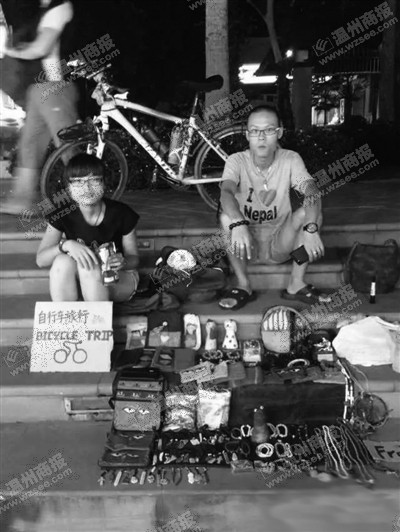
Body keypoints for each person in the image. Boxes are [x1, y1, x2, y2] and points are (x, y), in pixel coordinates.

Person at [218, 104, 332, 309]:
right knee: (226, 218)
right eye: (255, 131)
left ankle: (296, 283)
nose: (261, 137)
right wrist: (238, 222)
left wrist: (311, 229)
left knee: (310, 215)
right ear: (247, 135)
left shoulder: (290, 159)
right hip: (247, 244)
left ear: (279, 133)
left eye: (269, 130)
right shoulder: (237, 160)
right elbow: (226, 192)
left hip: (281, 243)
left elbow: (312, 191)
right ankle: (243, 284)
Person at [0, 0, 78, 215]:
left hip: (55, 88)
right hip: (39, 89)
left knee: (68, 146)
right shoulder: (43, 10)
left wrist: (11, 51)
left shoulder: (59, 7)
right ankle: (21, 201)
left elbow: (41, 47)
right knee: (30, 146)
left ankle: (87, 195)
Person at [36, 154, 140, 302]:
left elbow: (134, 259)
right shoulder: (61, 213)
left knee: (89, 268)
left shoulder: (122, 213)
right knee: (62, 262)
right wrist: (66, 245)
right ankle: (66, 315)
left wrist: (123, 262)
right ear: (68, 188)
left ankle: (97, 317)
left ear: (104, 183)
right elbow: (41, 260)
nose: (87, 188)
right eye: (78, 181)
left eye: (94, 180)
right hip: (81, 280)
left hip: (117, 279)